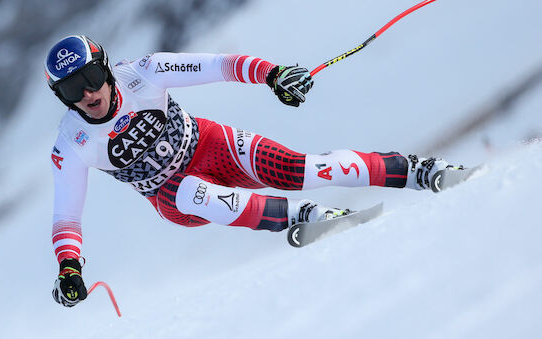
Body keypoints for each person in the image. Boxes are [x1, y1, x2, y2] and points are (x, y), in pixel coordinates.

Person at [46, 35, 460, 307]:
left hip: (213, 146)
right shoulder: (71, 143)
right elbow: (67, 215)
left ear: (105, 67)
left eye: (92, 77)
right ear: (61, 97)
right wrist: (69, 267)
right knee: (189, 191)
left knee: (303, 169)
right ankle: (309, 217)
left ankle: (417, 170)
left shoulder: (142, 72)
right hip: (174, 197)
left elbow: (219, 65)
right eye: (71, 88)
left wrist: (273, 75)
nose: (87, 93)